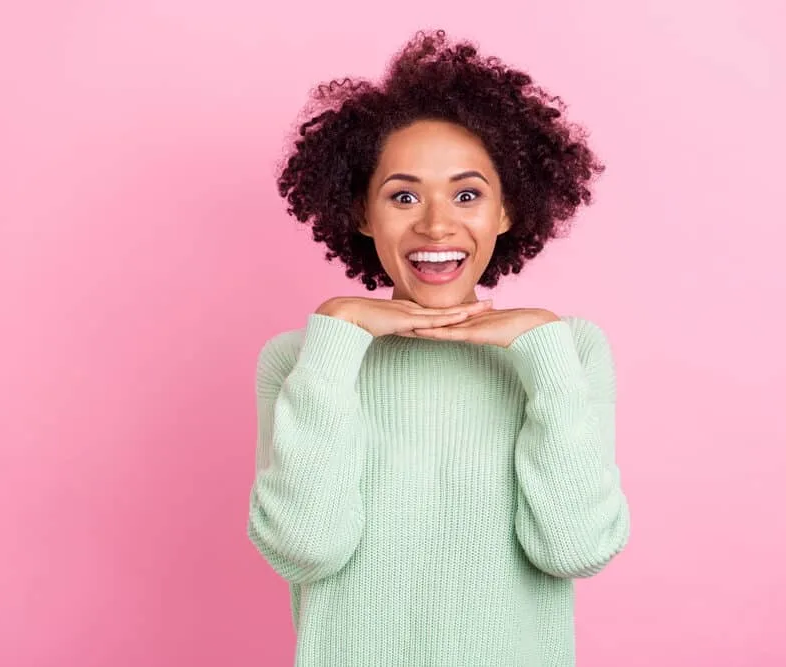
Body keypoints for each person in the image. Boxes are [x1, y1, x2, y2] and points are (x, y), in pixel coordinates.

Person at [247, 29, 630, 666]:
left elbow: (576, 549)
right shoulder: (304, 359)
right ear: (362, 214)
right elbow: (303, 547)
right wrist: (337, 333)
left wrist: (544, 356)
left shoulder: (566, 352)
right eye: (402, 196)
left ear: (507, 210)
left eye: (467, 193)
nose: (435, 224)